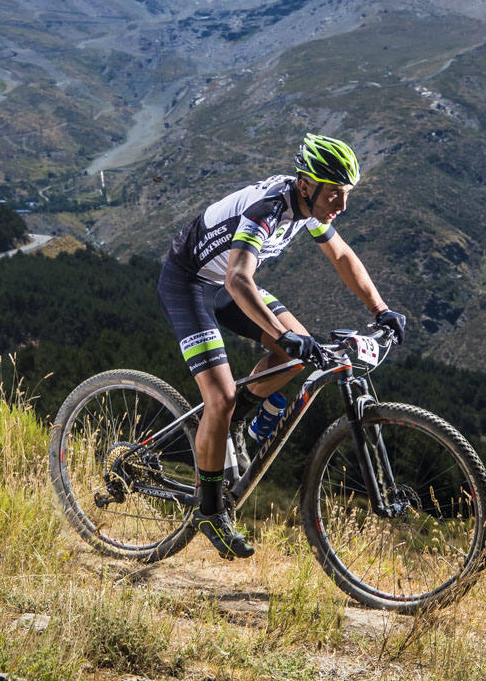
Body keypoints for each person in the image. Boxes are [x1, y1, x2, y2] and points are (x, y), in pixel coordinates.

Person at [156, 133, 406, 560]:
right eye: (335, 195)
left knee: (292, 356)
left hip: (229, 284)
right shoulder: (268, 209)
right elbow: (237, 278)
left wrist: (381, 309)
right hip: (191, 282)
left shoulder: (309, 204)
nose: (341, 206)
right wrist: (283, 333)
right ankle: (209, 510)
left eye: (346, 195)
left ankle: (234, 426)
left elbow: (342, 256)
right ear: (306, 185)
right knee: (220, 397)